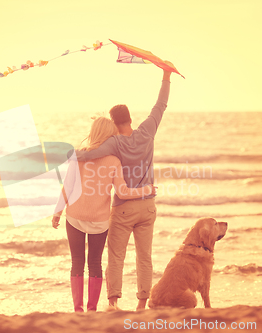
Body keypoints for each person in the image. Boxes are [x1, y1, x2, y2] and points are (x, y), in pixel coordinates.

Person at [73, 69, 172, 310]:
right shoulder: (147, 131)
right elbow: (161, 104)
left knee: (116, 256)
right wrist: (166, 76)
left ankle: (114, 302)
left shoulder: (114, 142)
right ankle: (141, 303)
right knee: (144, 257)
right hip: (148, 205)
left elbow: (91, 154)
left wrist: (67, 155)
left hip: (124, 208)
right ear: (130, 118)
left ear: (114, 124)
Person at [52, 117, 155, 312]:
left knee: (77, 262)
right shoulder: (114, 161)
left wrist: (58, 211)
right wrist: (146, 190)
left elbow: (68, 186)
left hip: (74, 217)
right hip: (99, 221)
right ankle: (92, 310)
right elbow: (123, 192)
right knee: (95, 263)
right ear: (110, 135)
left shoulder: (79, 157)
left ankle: (78, 310)